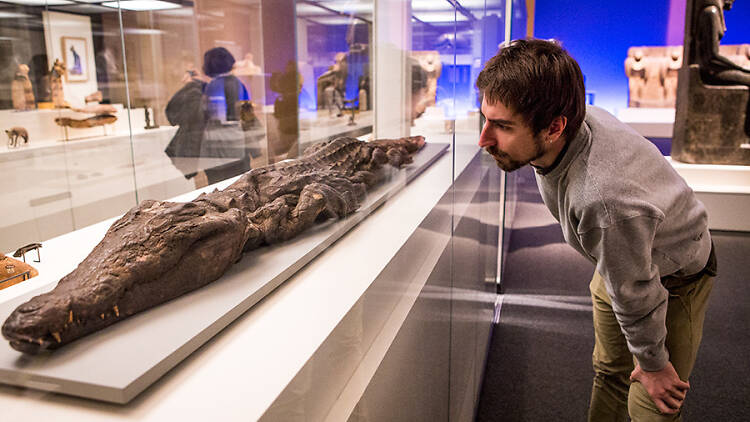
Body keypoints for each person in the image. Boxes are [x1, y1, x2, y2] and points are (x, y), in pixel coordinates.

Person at [476, 39, 716, 421]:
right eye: (485, 118)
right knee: (609, 372)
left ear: (555, 127)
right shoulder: (569, 123)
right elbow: (622, 269)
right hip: (619, 259)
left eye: (502, 126)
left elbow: (636, 291)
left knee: (654, 402)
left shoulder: (603, 202)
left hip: (673, 276)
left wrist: (653, 365)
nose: (484, 139)